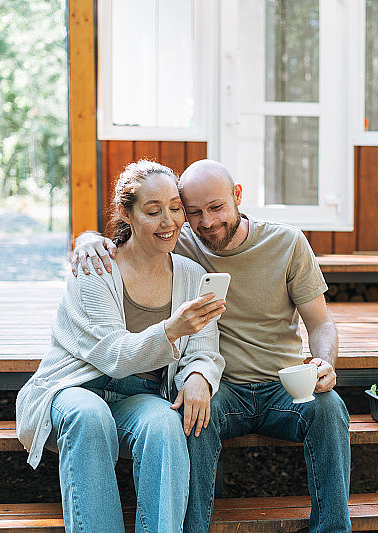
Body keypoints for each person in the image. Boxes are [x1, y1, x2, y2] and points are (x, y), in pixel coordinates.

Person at [72, 159, 351, 533]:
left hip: (283, 385)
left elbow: (320, 322)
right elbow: (133, 234)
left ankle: (333, 529)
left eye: (217, 207)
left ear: (237, 196)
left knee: (330, 408)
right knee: (193, 412)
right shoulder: (180, 241)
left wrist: (324, 363)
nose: (206, 222)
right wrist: (87, 238)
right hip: (221, 389)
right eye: (194, 212)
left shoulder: (287, 243)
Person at [17, 160, 226, 533]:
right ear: (125, 213)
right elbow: (114, 355)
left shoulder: (192, 274)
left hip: (138, 395)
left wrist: (199, 375)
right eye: (153, 211)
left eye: (175, 208)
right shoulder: (95, 270)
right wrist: (171, 329)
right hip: (75, 388)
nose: (169, 221)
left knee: (165, 422)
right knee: (89, 415)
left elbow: (205, 349)